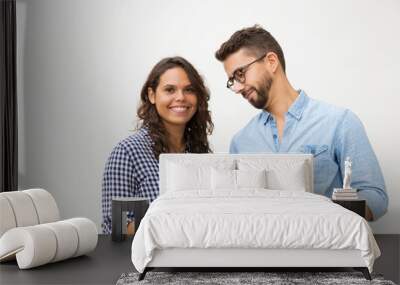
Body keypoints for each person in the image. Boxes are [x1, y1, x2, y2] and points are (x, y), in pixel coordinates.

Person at [215, 25, 388, 221]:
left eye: (240, 74)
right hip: (263, 250)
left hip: (325, 247)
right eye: (232, 81)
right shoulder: (240, 142)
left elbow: (375, 197)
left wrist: (326, 216)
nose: (237, 88)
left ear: (271, 61)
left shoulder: (340, 122)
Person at [102, 57, 213, 234]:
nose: (180, 97)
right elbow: (118, 227)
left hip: (196, 258)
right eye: (170, 90)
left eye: (189, 90)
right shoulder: (127, 153)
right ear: (152, 95)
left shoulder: (199, 153)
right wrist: (178, 224)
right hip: (145, 260)